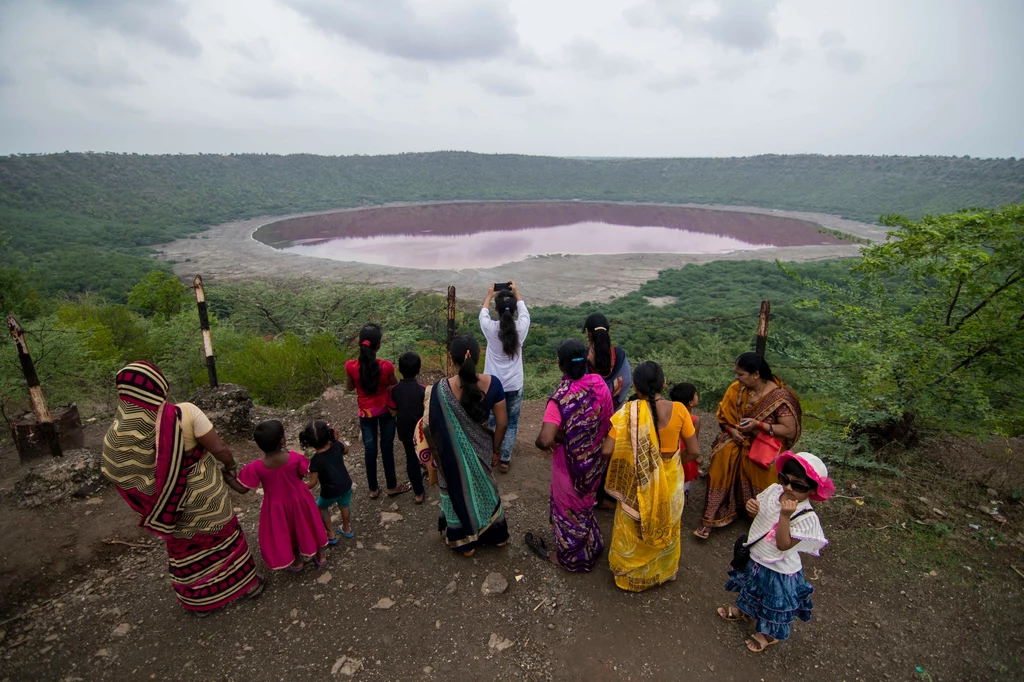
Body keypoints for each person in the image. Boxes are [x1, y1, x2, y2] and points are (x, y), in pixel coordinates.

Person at [101, 361, 263, 616]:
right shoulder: (184, 413)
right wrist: (230, 466)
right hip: (205, 496)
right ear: (159, 386)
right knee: (224, 536)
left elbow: (124, 478)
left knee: (186, 549)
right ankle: (248, 585)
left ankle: (200, 603)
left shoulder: (117, 437)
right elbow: (219, 448)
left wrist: (157, 501)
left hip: (170, 510)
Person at [718, 451, 833, 653]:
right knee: (751, 588)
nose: (788, 487)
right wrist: (752, 507)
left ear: (812, 489)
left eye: (798, 486)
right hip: (757, 555)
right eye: (785, 480)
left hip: (779, 568)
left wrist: (786, 516)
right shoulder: (773, 491)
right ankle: (744, 611)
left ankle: (768, 635)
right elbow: (760, 513)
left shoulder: (807, 516)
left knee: (773, 602)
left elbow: (783, 544)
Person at [602, 361, 700, 592]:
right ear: (664, 384)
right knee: (668, 522)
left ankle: (629, 573)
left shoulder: (628, 413)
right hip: (671, 478)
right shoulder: (680, 409)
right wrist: (673, 461)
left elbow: (607, 450)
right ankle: (665, 571)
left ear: (635, 387)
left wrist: (634, 457)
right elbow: (694, 451)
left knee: (634, 522)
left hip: (638, 478)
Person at [414, 334, 509, 557]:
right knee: (485, 488)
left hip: (451, 458)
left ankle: (465, 542)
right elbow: (502, 423)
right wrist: (496, 450)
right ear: (477, 356)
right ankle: (496, 535)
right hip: (484, 451)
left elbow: (430, 428)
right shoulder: (493, 384)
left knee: (456, 488)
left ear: (451, 358)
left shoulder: (438, 390)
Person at [525, 339, 614, 572]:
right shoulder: (599, 384)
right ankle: (591, 543)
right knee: (585, 503)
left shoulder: (561, 397)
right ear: (585, 361)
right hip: (595, 460)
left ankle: (570, 557)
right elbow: (608, 420)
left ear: (560, 365)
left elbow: (544, 440)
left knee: (568, 508)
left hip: (569, 466)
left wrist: (556, 439)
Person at [694, 353, 803, 540]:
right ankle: (712, 517)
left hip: (766, 442)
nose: (736, 378)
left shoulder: (779, 397)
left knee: (766, 467)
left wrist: (758, 426)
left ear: (756, 374)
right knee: (723, 456)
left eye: (741, 374)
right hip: (737, 437)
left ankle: (763, 518)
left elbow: (789, 430)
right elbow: (723, 417)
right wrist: (731, 430)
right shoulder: (737, 389)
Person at [226, 420, 329, 572]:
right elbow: (301, 474)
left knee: (288, 530)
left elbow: (242, 489)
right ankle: (320, 556)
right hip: (300, 499)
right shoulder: (295, 458)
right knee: (308, 524)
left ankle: (297, 562)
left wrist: (227, 477)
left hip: (276, 505)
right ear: (282, 440)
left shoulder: (256, 467)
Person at [345, 323, 408, 498]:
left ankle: (373, 489)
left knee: (370, 448)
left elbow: (350, 388)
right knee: (387, 447)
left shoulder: (351, 366)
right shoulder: (386, 366)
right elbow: (394, 383)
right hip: (385, 411)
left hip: (365, 413)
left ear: (360, 344)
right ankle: (391, 486)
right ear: (378, 346)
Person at [479, 282, 530, 473]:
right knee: (512, 422)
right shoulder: (521, 328)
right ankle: (505, 459)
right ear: (515, 309)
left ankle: (493, 452)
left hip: (494, 386)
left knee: (494, 421)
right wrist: (516, 291)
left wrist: (489, 294)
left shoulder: (490, 329)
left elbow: (483, 313)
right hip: (515, 384)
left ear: (496, 309)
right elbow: (524, 312)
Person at [299, 420, 354, 544]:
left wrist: (299, 487)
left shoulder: (315, 461)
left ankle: (330, 533)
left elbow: (312, 483)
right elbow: (346, 450)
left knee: (321, 506)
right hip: (346, 485)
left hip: (329, 492)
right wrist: (337, 438)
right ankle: (346, 528)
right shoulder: (337, 446)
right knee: (344, 506)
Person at [389, 352, 427, 503]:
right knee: (427, 451)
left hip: (404, 429)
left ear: (399, 369)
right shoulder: (422, 389)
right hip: (421, 430)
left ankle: (418, 493)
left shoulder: (394, 390)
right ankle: (430, 471)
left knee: (410, 457)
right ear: (419, 370)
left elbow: (392, 411)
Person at [583, 313, 631, 410]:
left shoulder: (581, 358)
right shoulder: (620, 356)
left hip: (586, 417)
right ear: (608, 332)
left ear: (587, 332)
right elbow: (627, 381)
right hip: (615, 416)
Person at [669, 382, 703, 495]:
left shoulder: (669, 416)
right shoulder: (694, 420)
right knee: (682, 488)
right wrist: (697, 457)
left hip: (673, 454)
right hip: (686, 457)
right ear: (690, 402)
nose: (697, 396)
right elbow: (694, 442)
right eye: (696, 395)